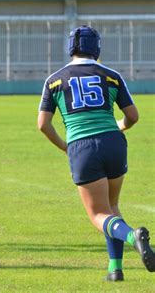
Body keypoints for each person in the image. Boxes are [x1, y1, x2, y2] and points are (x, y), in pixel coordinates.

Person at [38, 26, 155, 281]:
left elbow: (43, 124)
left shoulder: (55, 80)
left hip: (82, 146)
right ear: (97, 48)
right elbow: (133, 116)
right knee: (112, 207)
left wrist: (65, 146)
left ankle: (132, 236)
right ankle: (115, 269)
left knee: (98, 214)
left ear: (71, 48)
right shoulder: (111, 76)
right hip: (114, 142)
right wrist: (118, 126)